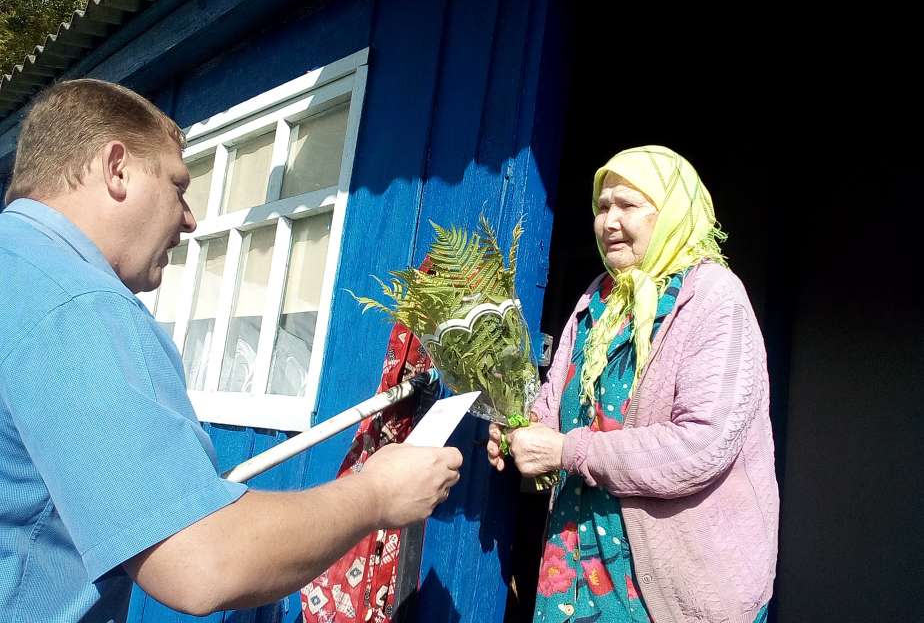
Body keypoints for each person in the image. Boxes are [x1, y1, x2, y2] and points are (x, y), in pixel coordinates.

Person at [0, 78, 462, 622]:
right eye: (177, 185)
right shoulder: (79, 305)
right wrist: (378, 495)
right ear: (117, 169)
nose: (190, 219)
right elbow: (201, 562)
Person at [488, 145, 778, 623]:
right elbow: (561, 402)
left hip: (667, 585)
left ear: (671, 213)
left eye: (628, 205)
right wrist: (524, 429)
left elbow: (701, 446)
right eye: (602, 207)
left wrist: (564, 452)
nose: (609, 221)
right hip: (577, 563)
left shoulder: (713, 297)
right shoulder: (596, 298)